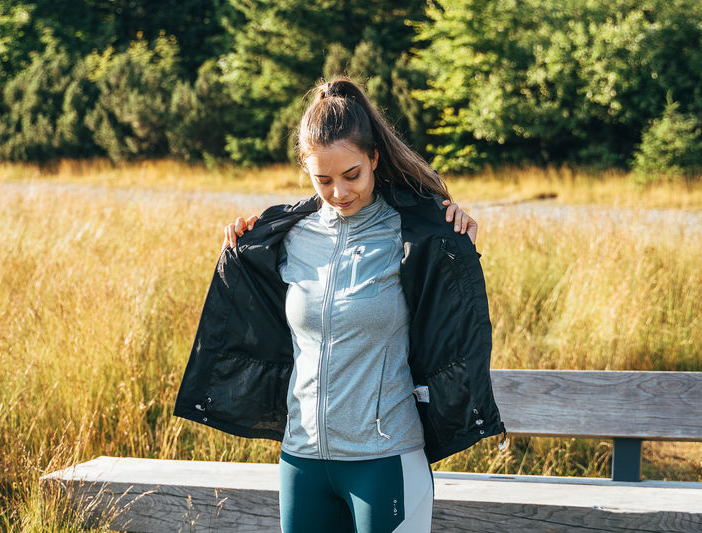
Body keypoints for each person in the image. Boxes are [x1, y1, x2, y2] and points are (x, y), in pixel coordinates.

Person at [174, 77, 506, 532]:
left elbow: (454, 322)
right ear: (305, 169)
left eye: (352, 175)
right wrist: (240, 246)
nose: (339, 192)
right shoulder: (287, 237)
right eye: (323, 179)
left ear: (374, 159)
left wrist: (455, 237)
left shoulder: (417, 235)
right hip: (302, 459)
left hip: (385, 458)